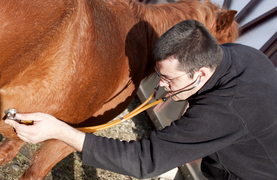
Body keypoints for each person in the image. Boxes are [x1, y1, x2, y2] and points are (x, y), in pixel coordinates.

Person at [5, 19, 277, 180]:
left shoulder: (225, 110)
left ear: (201, 73)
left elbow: (145, 161)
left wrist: (60, 131)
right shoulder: (235, 55)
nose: (161, 84)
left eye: (170, 80)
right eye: (159, 74)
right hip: (226, 160)